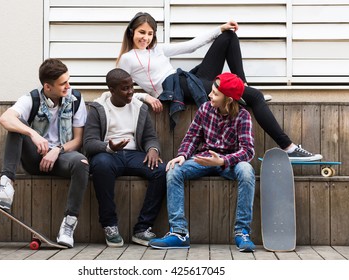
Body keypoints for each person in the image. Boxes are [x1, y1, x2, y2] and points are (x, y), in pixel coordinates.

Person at [116, 12, 322, 161]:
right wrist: (146, 97)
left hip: (189, 80)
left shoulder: (157, 50)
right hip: (178, 88)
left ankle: (243, 87)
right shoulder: (126, 59)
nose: (145, 38)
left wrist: (220, 28)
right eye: (142, 32)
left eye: (150, 34)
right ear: (132, 32)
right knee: (256, 98)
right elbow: (115, 90)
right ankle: (289, 147)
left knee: (228, 36)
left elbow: (191, 46)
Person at [0, 58, 89, 248]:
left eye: (68, 80)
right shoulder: (31, 99)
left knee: (82, 162)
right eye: (63, 83)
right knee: (16, 126)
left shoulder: (75, 99)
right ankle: (5, 189)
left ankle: (68, 225)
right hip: (34, 159)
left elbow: (78, 140)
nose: (68, 86)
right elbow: (5, 118)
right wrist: (33, 134)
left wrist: (57, 150)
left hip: (62, 159)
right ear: (47, 86)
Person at [149, 73, 256, 252]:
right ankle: (179, 233)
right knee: (174, 169)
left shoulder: (243, 116)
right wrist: (183, 155)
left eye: (215, 94)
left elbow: (247, 150)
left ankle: (242, 232)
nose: (209, 96)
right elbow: (192, 136)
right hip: (203, 160)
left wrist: (222, 160)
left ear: (228, 100)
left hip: (229, 163)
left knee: (247, 170)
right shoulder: (206, 109)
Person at [83, 68, 166, 247]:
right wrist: (108, 147)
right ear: (112, 90)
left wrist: (153, 149)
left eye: (131, 87)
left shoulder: (139, 107)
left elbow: (150, 137)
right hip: (108, 155)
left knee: (160, 170)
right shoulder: (98, 108)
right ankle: (110, 225)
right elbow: (89, 143)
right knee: (101, 166)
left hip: (135, 154)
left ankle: (142, 229)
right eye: (125, 88)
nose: (131, 92)